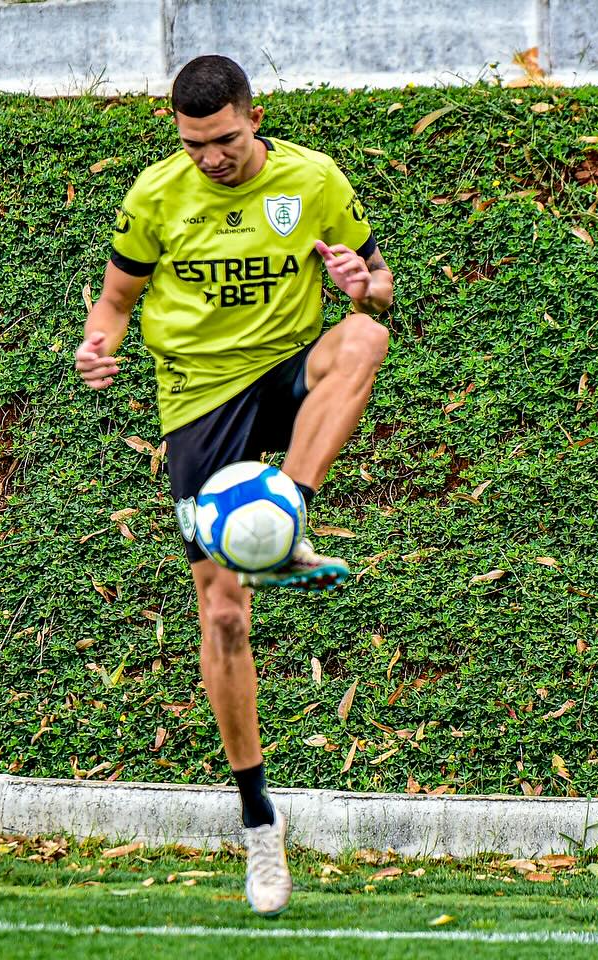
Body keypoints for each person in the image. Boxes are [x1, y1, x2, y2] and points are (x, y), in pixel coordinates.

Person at [74, 55, 393, 916]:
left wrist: (365, 284)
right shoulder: (156, 196)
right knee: (222, 613)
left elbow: (377, 280)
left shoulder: (314, 180)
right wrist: (98, 344)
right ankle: (259, 824)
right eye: (192, 143)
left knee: (362, 339)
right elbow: (115, 302)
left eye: (223, 140)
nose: (209, 158)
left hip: (287, 366)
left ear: (254, 117)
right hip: (198, 400)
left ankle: (288, 508)